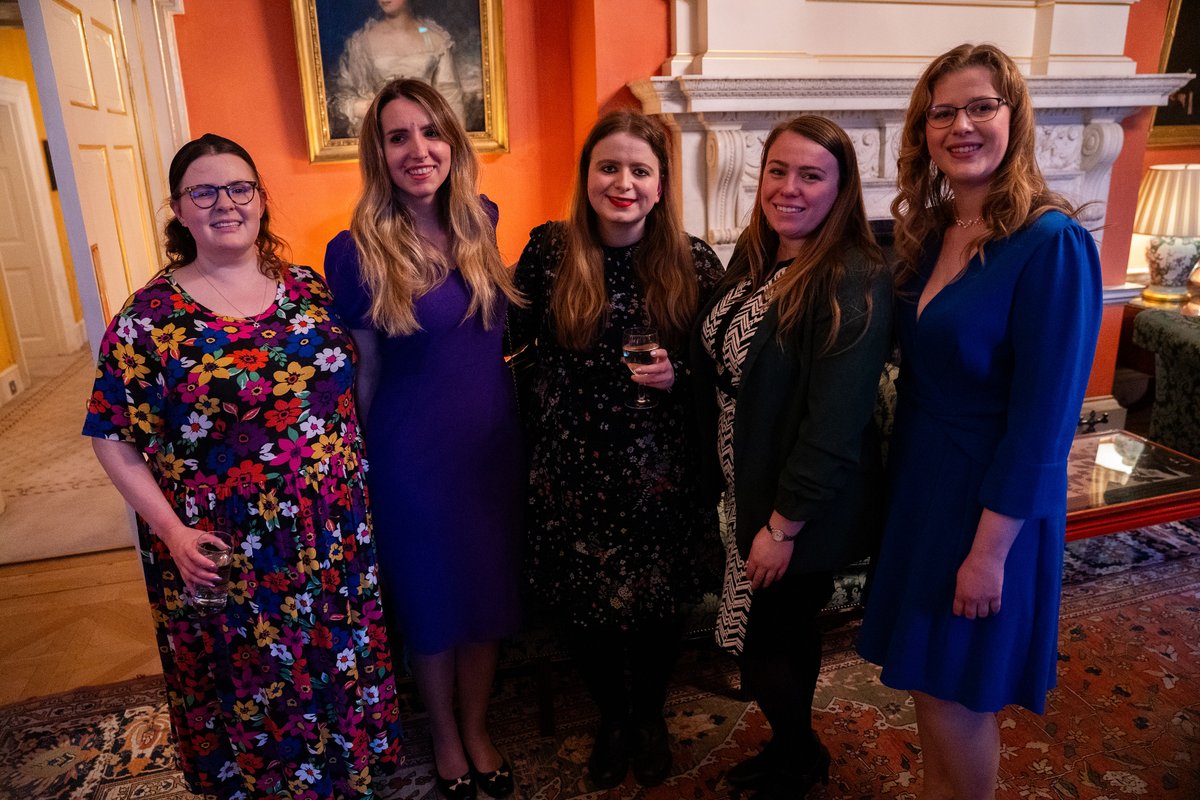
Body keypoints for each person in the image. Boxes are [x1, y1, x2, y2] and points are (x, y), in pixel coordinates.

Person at [83, 133, 403, 799]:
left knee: (335, 682)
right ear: (178, 208)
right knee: (256, 702)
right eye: (204, 191)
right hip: (231, 552)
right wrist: (170, 532)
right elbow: (111, 435)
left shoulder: (310, 290)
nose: (224, 203)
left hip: (332, 536)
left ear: (260, 199)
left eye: (238, 188)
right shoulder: (149, 319)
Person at [856, 43, 1102, 800]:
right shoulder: (928, 231)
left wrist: (990, 553)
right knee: (933, 689)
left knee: (960, 694)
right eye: (943, 113)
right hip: (924, 486)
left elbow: (1044, 425)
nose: (961, 125)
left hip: (991, 506)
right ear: (923, 131)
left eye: (980, 106)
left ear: (1013, 118)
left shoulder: (1052, 243)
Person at [505, 110, 722, 790]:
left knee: (658, 609)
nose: (622, 182)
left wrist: (677, 375)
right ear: (587, 176)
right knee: (583, 608)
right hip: (571, 472)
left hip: (660, 474)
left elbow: (723, 372)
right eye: (609, 167)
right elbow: (501, 337)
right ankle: (613, 716)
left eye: (639, 170)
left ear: (660, 186)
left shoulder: (694, 260)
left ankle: (650, 716)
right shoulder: (549, 252)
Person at [323, 78, 522, 800]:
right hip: (410, 458)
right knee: (434, 605)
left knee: (487, 596)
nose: (418, 150)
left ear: (453, 142)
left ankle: (477, 725)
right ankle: (443, 734)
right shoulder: (353, 252)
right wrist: (365, 472)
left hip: (491, 446)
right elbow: (364, 371)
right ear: (378, 152)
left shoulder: (483, 220)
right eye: (398, 136)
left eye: (431, 132)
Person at [692, 115, 894, 800]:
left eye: (811, 175)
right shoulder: (759, 254)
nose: (789, 187)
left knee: (774, 638)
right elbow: (729, 360)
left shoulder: (850, 276)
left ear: (841, 189)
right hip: (741, 480)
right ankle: (790, 749)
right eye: (778, 170)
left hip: (793, 501)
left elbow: (834, 423)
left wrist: (783, 526)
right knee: (762, 635)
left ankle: (801, 758)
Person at [330, 0, 465, 138]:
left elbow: (451, 97)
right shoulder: (362, 42)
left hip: (428, 133)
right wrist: (368, 107)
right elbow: (343, 97)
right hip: (383, 131)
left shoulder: (435, 38)